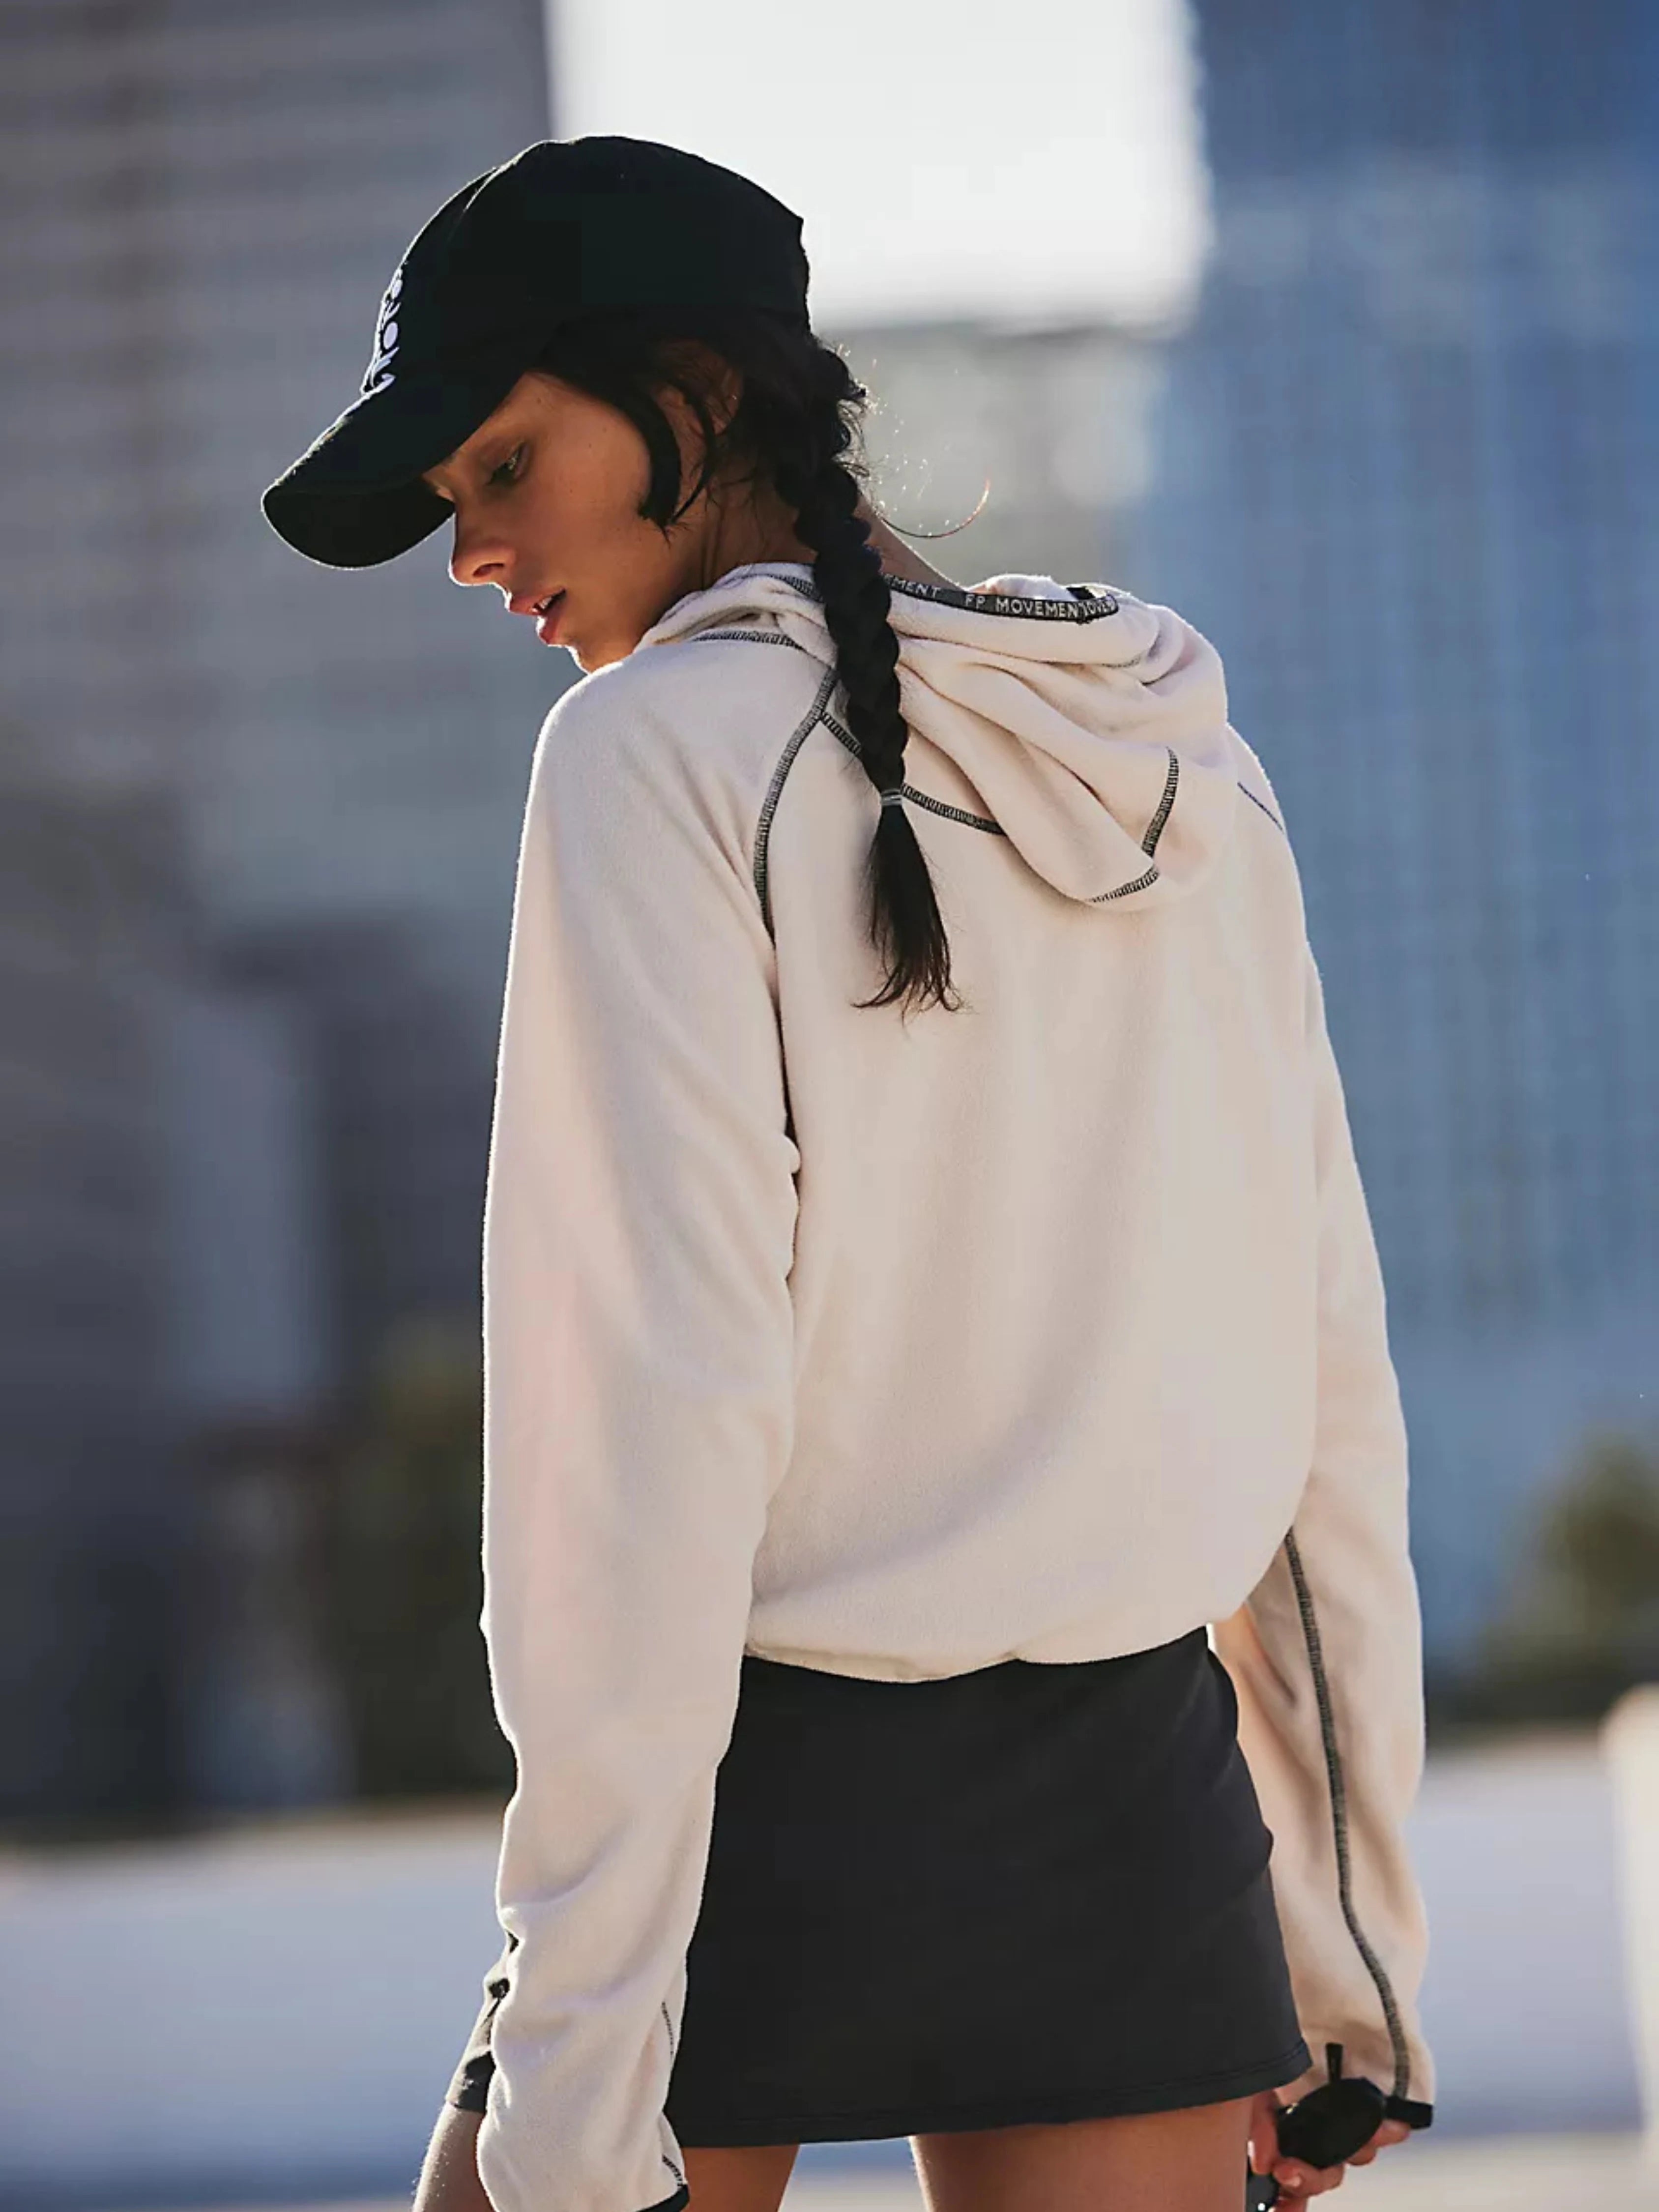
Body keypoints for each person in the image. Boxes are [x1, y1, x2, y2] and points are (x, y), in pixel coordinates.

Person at [262, 137, 1434, 2212]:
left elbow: (643, 1428)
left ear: (689, 403)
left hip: (752, 1798)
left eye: (502, 470)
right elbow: (1315, 1375)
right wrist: (1351, 1978)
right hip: (1131, 1810)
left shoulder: (651, 762)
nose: (473, 557)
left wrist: (583, 2047)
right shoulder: (1178, 764)